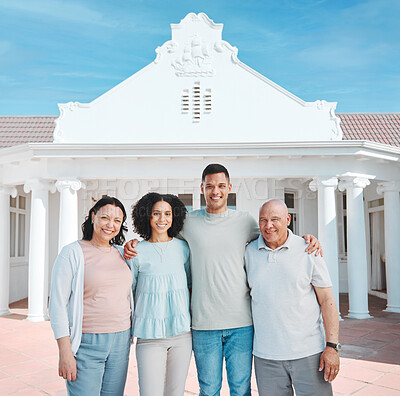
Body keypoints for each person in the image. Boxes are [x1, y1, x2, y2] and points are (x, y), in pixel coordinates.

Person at [125, 164, 322, 396]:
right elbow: (161, 237)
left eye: (220, 186)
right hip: (203, 324)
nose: (215, 191)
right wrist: (134, 242)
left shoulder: (245, 221)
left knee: (240, 389)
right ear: (202, 188)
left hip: (241, 324)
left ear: (229, 188)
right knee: (209, 390)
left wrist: (305, 239)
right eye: (209, 186)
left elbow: (274, 232)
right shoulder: (188, 223)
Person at [245, 199, 340, 396]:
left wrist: (332, 347)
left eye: (275, 219)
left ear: (288, 219)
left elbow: (327, 300)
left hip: (309, 353)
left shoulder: (309, 250)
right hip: (265, 357)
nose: (268, 225)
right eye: (263, 220)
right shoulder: (248, 252)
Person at [49, 196, 133, 396]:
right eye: (105, 218)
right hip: (86, 342)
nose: (110, 225)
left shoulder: (123, 254)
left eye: (117, 221)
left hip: (121, 341)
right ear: (93, 217)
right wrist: (65, 352)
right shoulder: (72, 253)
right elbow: (57, 304)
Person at [130, 192, 192, 396]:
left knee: (176, 393)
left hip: (182, 335)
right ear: (147, 216)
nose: (162, 219)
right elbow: (130, 292)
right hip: (149, 337)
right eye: (156, 213)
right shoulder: (137, 252)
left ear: (174, 217)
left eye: (167, 214)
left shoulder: (183, 248)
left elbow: (191, 284)